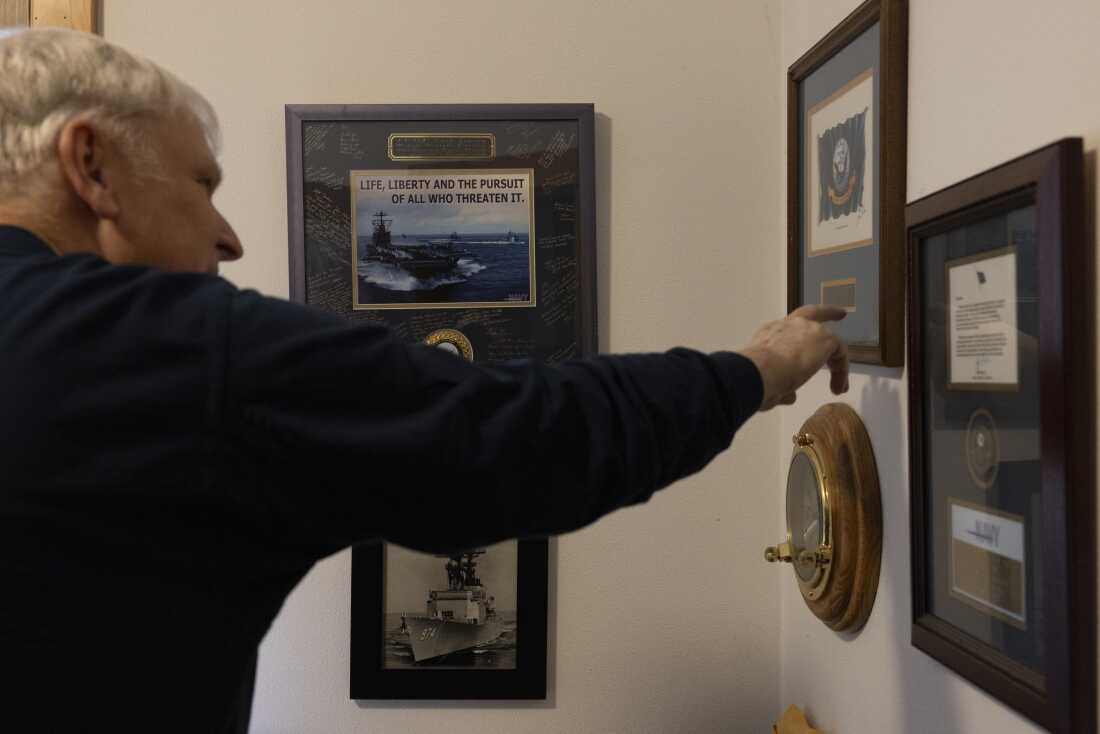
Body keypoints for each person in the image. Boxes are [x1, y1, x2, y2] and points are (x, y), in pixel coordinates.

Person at [0, 28, 848, 733]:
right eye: (201, 184)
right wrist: (757, 370)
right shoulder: (168, 345)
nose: (228, 238)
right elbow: (519, 438)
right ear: (93, 165)